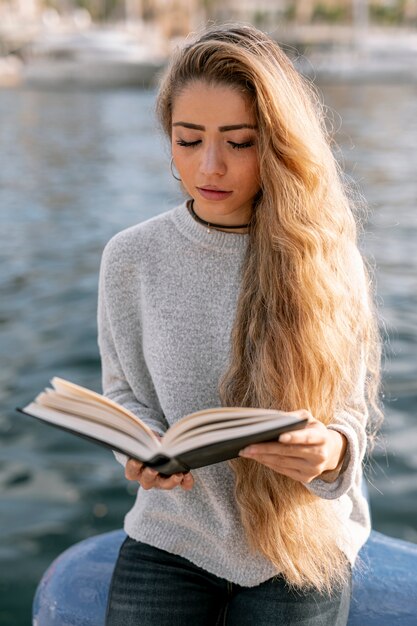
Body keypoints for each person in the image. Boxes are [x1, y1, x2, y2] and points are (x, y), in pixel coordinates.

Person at [98, 24, 382, 626]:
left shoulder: (327, 259)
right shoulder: (131, 256)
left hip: (298, 541)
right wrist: (141, 445)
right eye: (188, 139)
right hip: (172, 535)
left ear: (277, 144)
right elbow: (125, 392)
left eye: (240, 141)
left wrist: (330, 453)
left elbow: (350, 414)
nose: (210, 164)